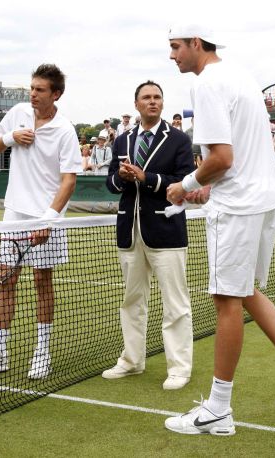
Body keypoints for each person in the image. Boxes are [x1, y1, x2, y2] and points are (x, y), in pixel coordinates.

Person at [165, 24, 275, 436]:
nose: (172, 56)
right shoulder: (242, 77)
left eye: (176, 47)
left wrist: (185, 186)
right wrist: (204, 184)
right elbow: (232, 159)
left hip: (238, 206)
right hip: (264, 198)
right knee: (247, 292)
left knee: (226, 301)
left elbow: (221, 157)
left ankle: (218, 411)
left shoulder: (207, 84)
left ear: (196, 44)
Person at [0, 63, 81, 380]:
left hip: (46, 217)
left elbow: (68, 181)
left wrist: (49, 219)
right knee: (6, 281)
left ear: (55, 94)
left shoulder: (65, 130)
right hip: (13, 214)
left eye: (40, 90)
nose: (32, 94)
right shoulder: (17, 113)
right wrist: (11, 137)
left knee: (43, 283)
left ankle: (42, 354)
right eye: (31, 88)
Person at [102, 80, 195, 390]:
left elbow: (183, 181)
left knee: (175, 304)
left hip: (166, 231)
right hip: (130, 230)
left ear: (162, 104)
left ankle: (179, 368)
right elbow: (111, 185)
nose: (152, 102)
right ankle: (131, 361)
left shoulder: (179, 140)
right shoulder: (122, 140)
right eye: (147, 97)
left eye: (157, 97)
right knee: (131, 301)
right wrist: (121, 176)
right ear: (136, 103)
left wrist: (148, 178)